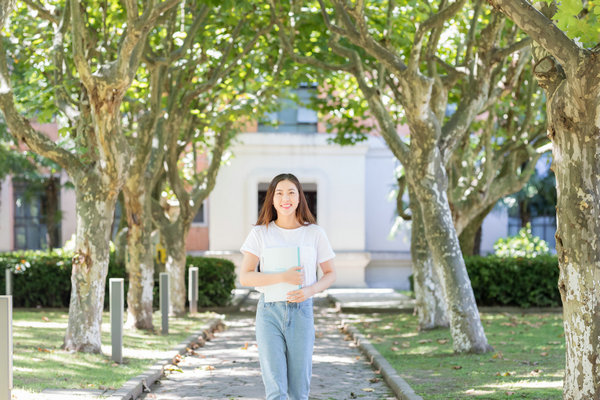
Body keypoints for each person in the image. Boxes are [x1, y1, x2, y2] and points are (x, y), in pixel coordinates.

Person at [239, 173, 337, 400]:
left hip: (301, 312)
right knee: (275, 388)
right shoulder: (260, 233)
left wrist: (309, 291)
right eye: (279, 193)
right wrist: (282, 276)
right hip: (269, 312)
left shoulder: (314, 233)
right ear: (272, 199)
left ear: (300, 197)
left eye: (291, 192)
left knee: (299, 389)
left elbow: (330, 274)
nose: (286, 198)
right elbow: (245, 277)